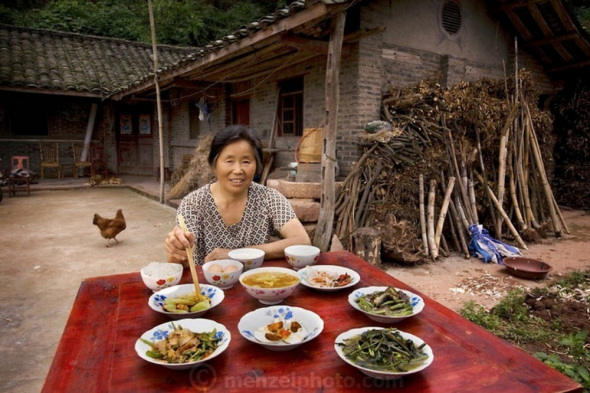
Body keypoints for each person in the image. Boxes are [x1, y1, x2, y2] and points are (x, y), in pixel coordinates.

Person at [165, 124, 311, 267]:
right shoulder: (193, 203)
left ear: (256, 165)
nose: (238, 170)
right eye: (229, 161)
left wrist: (236, 254)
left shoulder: (269, 198)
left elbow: (302, 241)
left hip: (257, 285)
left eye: (246, 161)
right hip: (208, 288)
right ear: (214, 164)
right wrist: (177, 249)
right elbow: (178, 261)